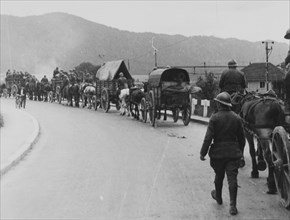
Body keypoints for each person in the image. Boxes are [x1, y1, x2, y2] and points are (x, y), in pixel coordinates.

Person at [200, 91, 246, 215]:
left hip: (218, 154)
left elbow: (208, 138)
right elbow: (242, 139)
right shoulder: (237, 118)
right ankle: (233, 206)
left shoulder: (214, 118)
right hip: (233, 154)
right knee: (232, 179)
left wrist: (202, 153)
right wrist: (240, 152)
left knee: (219, 175)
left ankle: (219, 197)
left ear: (220, 104)